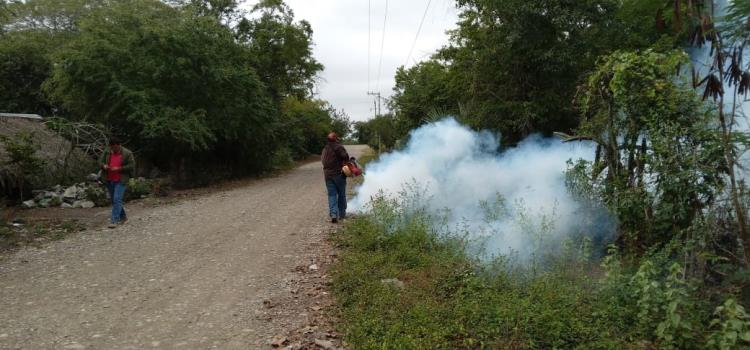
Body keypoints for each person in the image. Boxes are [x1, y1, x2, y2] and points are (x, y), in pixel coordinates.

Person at [100, 137, 135, 229]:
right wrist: (104, 165)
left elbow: (132, 166)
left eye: (116, 147)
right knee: (115, 200)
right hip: (109, 179)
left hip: (121, 180)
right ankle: (123, 217)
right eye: (112, 147)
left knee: (116, 199)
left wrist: (119, 168)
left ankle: (114, 221)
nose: (114, 149)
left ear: (119, 145)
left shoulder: (127, 153)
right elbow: (100, 161)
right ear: (110, 146)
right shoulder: (107, 152)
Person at [321, 132, 350, 223]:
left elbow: (323, 160)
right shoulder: (338, 147)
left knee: (331, 195)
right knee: (341, 194)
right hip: (339, 174)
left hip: (327, 175)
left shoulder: (325, 148)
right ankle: (342, 214)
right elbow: (345, 157)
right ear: (336, 139)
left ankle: (333, 214)